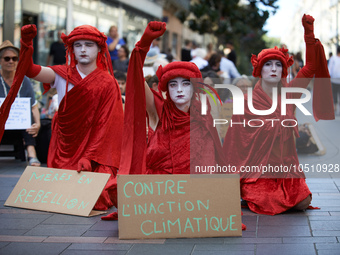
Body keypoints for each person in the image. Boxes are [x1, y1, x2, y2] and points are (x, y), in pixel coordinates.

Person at [223, 15, 334, 215]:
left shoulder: (289, 93)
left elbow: (310, 68)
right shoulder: (247, 101)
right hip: (258, 172)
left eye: (278, 65)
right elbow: (235, 143)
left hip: (286, 169)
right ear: (259, 69)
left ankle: (260, 198)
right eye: (268, 64)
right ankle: (248, 194)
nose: (273, 69)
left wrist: (309, 34)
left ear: (283, 70)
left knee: (303, 202)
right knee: (265, 199)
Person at [19, 24, 124, 211]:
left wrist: (89, 156)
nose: (83, 49)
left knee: (97, 198)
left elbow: (107, 125)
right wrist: (26, 43)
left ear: (99, 48)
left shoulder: (108, 82)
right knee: (62, 196)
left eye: (89, 45)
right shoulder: (60, 74)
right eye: (78, 45)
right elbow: (29, 70)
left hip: (95, 151)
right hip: (64, 146)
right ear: (71, 49)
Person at [0, 40, 41, 166]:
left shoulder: (24, 80)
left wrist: (38, 124)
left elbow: (33, 106)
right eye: (7, 59)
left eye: (14, 58)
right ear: (0, 60)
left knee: (28, 117)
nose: (11, 62)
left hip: (20, 125)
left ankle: (31, 153)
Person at [328, 45, 340, 113]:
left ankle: (335, 106)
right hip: (336, 79)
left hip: (334, 79)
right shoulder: (334, 58)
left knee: (335, 92)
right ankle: (336, 106)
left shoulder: (333, 58)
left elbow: (330, 68)